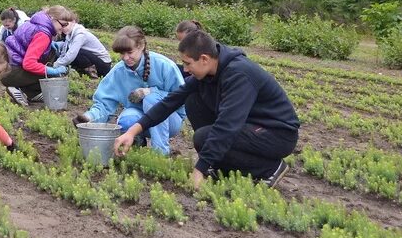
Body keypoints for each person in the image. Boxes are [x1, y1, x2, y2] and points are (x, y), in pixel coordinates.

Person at [113, 30, 300, 189]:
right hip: (249, 125)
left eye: (187, 64)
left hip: (276, 133)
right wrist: (133, 131)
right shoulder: (210, 71)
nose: (185, 70)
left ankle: (269, 168)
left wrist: (199, 169)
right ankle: (220, 165)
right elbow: (170, 101)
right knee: (192, 100)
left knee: (204, 138)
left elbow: (227, 127)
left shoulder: (238, 75)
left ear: (204, 59)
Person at [73, 26, 185, 155]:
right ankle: (136, 145)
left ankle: (160, 153)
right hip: (140, 118)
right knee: (125, 120)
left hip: (170, 120)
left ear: (141, 46)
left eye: (130, 52)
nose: (125, 58)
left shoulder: (164, 65)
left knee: (152, 100)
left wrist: (150, 92)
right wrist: (89, 118)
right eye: (122, 53)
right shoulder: (119, 71)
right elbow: (104, 103)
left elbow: (181, 98)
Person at [2, 5, 71, 107]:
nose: (64, 28)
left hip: (6, 68)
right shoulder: (43, 34)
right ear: (53, 19)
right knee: (52, 69)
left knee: (50, 52)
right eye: (63, 25)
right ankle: (16, 87)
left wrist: (49, 45)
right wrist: (52, 71)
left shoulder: (36, 22)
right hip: (12, 73)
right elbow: (28, 64)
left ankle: (32, 93)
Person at [53, 11, 112, 78]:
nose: (63, 28)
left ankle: (92, 74)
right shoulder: (69, 34)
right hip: (94, 60)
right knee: (69, 51)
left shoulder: (80, 34)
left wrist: (55, 66)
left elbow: (71, 55)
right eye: (62, 25)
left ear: (73, 22)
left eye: (65, 25)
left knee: (77, 53)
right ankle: (82, 73)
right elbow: (64, 53)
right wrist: (57, 63)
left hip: (104, 65)